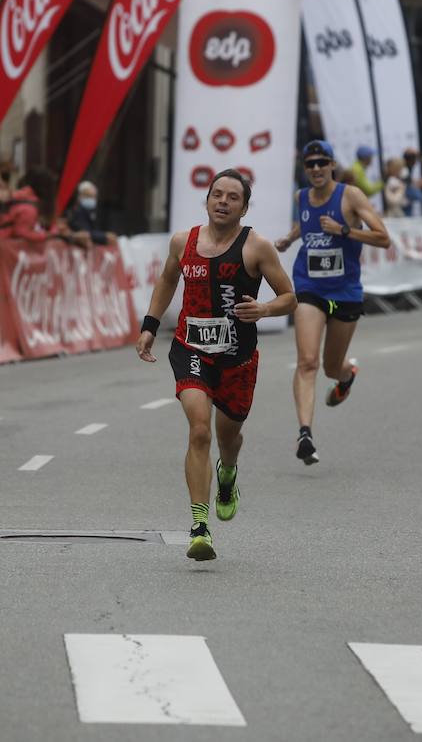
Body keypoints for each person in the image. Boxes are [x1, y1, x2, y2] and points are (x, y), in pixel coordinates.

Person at [135, 169, 297, 562]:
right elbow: (167, 281)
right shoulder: (183, 241)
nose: (223, 201)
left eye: (233, 197)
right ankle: (198, 525)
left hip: (237, 356)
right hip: (190, 348)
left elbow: (289, 297)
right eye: (217, 195)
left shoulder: (256, 247)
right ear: (206, 200)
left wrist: (264, 308)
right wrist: (149, 326)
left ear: (243, 207)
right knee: (200, 430)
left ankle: (228, 474)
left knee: (229, 438)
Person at [275, 141, 391, 465]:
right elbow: (309, 220)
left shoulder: (351, 196)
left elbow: (383, 237)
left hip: (345, 292)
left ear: (332, 165)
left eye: (321, 163)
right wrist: (290, 237)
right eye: (309, 164)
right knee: (307, 362)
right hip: (310, 286)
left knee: (330, 367)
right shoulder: (302, 197)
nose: (315, 169)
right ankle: (305, 435)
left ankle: (346, 375)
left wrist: (344, 230)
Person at [67, 181, 117, 247]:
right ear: (80, 196)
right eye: (88, 196)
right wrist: (104, 236)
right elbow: (85, 233)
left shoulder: (95, 211)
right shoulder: (76, 211)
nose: (91, 199)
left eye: (93, 197)